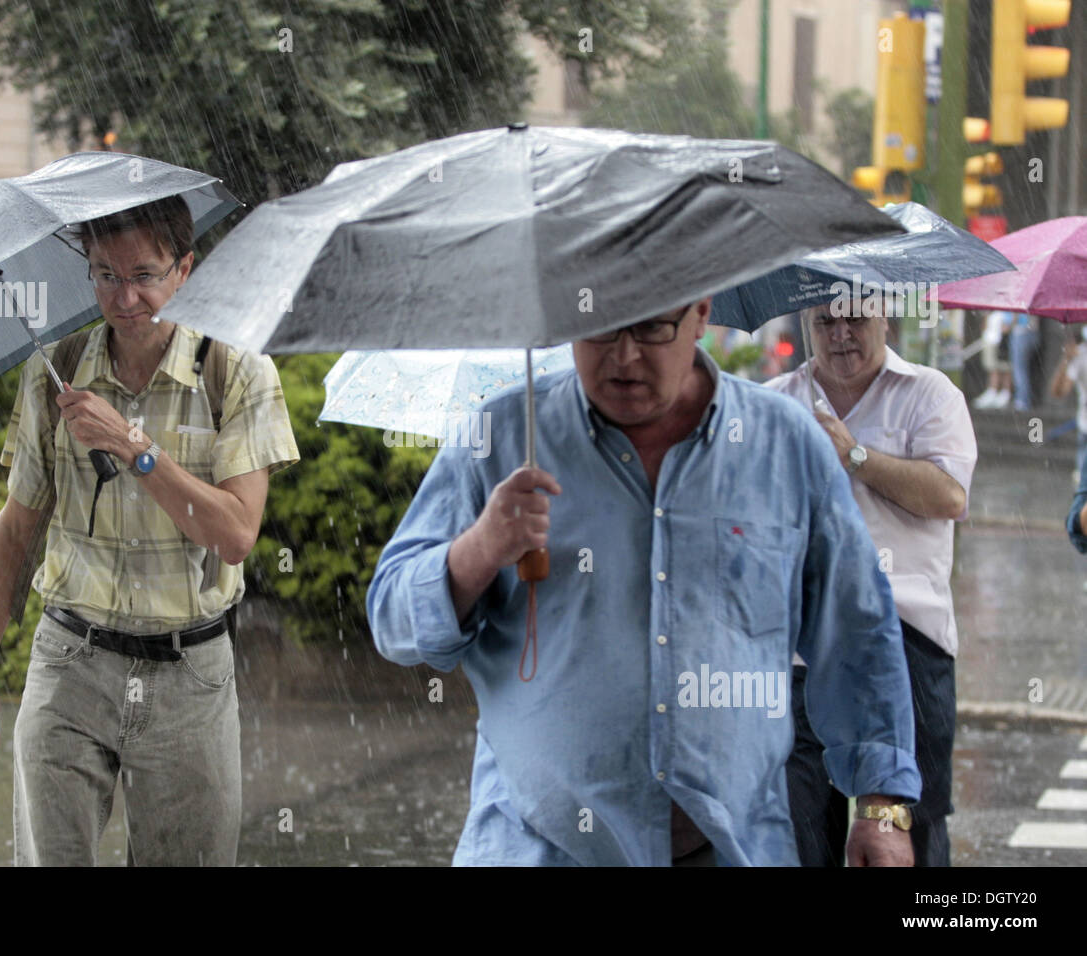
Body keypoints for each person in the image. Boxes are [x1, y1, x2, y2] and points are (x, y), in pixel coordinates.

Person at [366, 297, 922, 866]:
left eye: (652, 327)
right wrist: (477, 551)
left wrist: (882, 806)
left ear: (700, 315)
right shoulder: (502, 437)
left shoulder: (785, 444)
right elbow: (392, 618)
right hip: (537, 846)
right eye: (599, 330)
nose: (625, 358)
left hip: (733, 846)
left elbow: (856, 632)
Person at [0, 196, 299, 865]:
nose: (125, 297)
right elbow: (14, 532)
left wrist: (136, 449)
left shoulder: (238, 374)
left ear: (186, 270)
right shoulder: (54, 372)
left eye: (144, 274)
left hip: (190, 673)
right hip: (69, 664)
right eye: (105, 275)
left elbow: (234, 536)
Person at [767, 300, 976, 867]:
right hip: (803, 649)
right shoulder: (777, 402)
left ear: (886, 317)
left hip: (908, 642)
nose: (839, 335)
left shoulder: (930, 394)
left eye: (854, 319)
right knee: (800, 823)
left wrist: (853, 454)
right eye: (823, 323)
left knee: (909, 828)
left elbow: (948, 495)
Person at [1049, 327, 1087, 484]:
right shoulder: (1081, 356)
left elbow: (1058, 392)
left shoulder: (1081, 355)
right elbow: (1059, 391)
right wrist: (1067, 359)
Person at [973, 310, 1013, 409]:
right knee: (993, 368)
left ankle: (1001, 392)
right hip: (990, 339)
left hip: (999, 341)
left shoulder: (1004, 311)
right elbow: (984, 326)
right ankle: (993, 391)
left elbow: (1007, 326)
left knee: (1001, 368)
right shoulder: (990, 312)